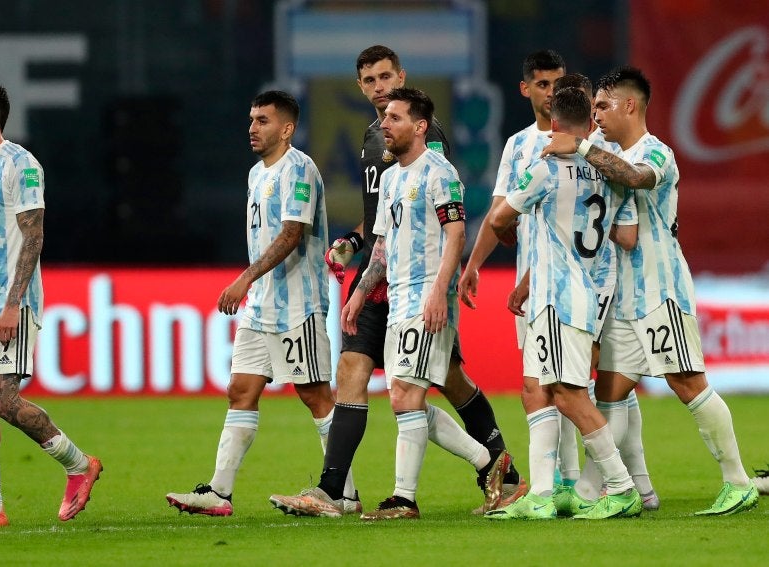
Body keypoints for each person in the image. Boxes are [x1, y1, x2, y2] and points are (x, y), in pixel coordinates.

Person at [269, 46, 520, 519]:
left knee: (438, 381)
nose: (380, 88)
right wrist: (354, 251)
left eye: (387, 77)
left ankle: (493, 471)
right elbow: (385, 221)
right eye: (370, 81)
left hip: (423, 280)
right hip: (384, 274)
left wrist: (445, 283)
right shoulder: (375, 140)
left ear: (401, 80)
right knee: (357, 375)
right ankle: (336, 491)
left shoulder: (425, 141)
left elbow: (439, 214)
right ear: (361, 88)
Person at [542, 66, 759, 516]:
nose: (595, 114)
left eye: (602, 105)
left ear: (629, 105)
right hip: (624, 300)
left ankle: (738, 482)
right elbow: (624, 233)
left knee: (688, 384)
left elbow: (638, 179)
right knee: (610, 393)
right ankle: (597, 492)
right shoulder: (611, 153)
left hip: (660, 292)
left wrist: (581, 146)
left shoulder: (657, 153)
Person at [165, 90, 346, 516]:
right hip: (261, 306)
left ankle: (344, 492)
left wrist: (243, 279)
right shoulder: (256, 174)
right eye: (251, 119)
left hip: (298, 303)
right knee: (241, 390)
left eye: (263, 120)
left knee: (315, 394)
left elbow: (291, 234)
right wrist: (253, 288)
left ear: (286, 128)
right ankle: (219, 493)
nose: (252, 127)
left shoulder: (299, 168)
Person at [0, 80, 102, 529]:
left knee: (4, 398)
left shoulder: (22, 165)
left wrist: (13, 306)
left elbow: (34, 234)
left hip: (14, 304)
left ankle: (78, 464)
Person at [486, 86, 643, 519]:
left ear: (553, 125)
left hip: (559, 297)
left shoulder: (545, 170)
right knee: (534, 389)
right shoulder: (610, 171)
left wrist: (515, 225)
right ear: (589, 125)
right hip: (576, 289)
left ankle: (623, 487)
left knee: (570, 396)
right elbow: (622, 234)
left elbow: (500, 217)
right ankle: (542, 493)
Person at [458, 49, 582, 504]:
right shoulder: (518, 145)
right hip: (533, 286)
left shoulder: (590, 141)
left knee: (578, 385)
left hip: (580, 281)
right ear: (526, 89)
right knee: (546, 383)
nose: (552, 92)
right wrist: (473, 265)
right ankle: (570, 483)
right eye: (544, 84)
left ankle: (602, 482)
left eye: (559, 83)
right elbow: (499, 214)